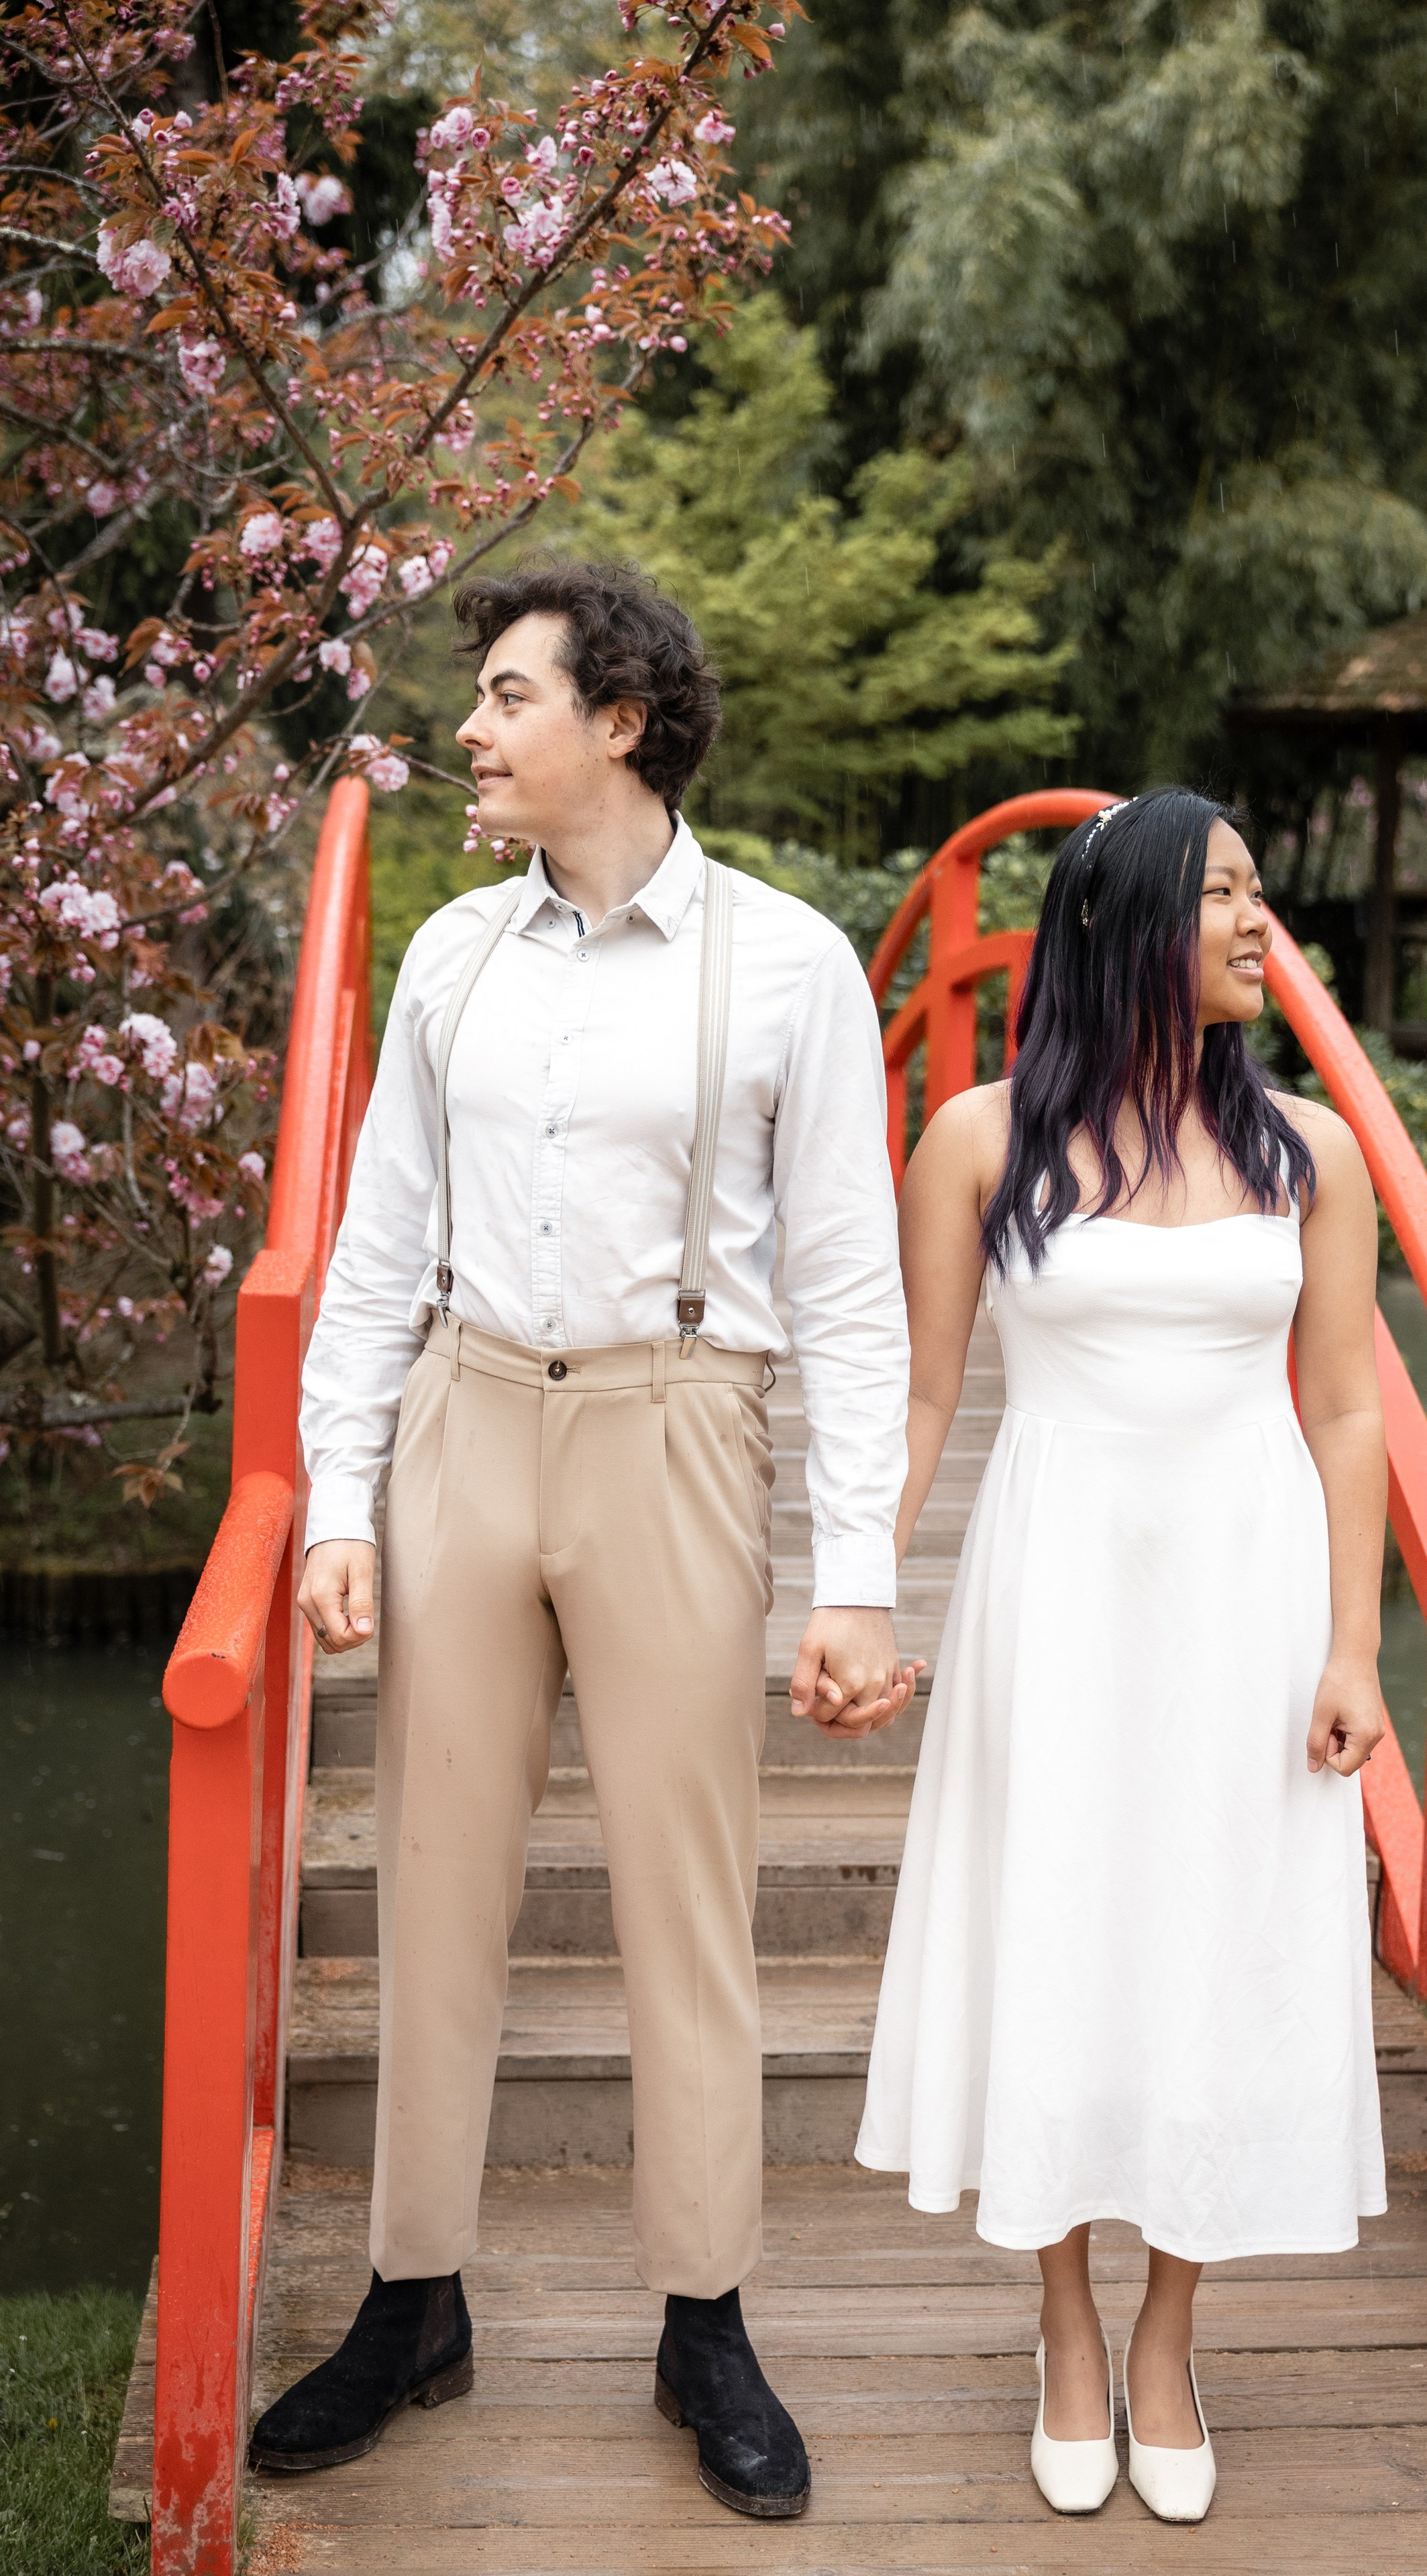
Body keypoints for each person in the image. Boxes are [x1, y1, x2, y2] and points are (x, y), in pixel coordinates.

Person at [248, 559, 914, 2518]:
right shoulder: (450, 954)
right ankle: (412, 2300)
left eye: (509, 695)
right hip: (465, 1416)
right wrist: (337, 1496)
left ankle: (705, 2318)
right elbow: (375, 1253)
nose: (472, 727)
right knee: (431, 1883)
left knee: (680, 1897)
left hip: (675, 1424)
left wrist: (857, 1569)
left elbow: (854, 1294)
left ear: (619, 722)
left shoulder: (788, 963)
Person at [855, 788, 1388, 2522]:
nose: (1259, 923)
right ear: (1124, 921)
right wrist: (850, 1586)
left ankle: (1172, 2335)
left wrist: (1355, 1649)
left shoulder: (1309, 1150)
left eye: (1261, 891)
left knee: (1214, 1942)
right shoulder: (978, 1141)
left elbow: (1347, 1410)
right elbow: (925, 1395)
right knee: (1065, 1925)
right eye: (1224, 893)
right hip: (1058, 1578)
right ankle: (1065, 2327)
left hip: (1249, 1587)